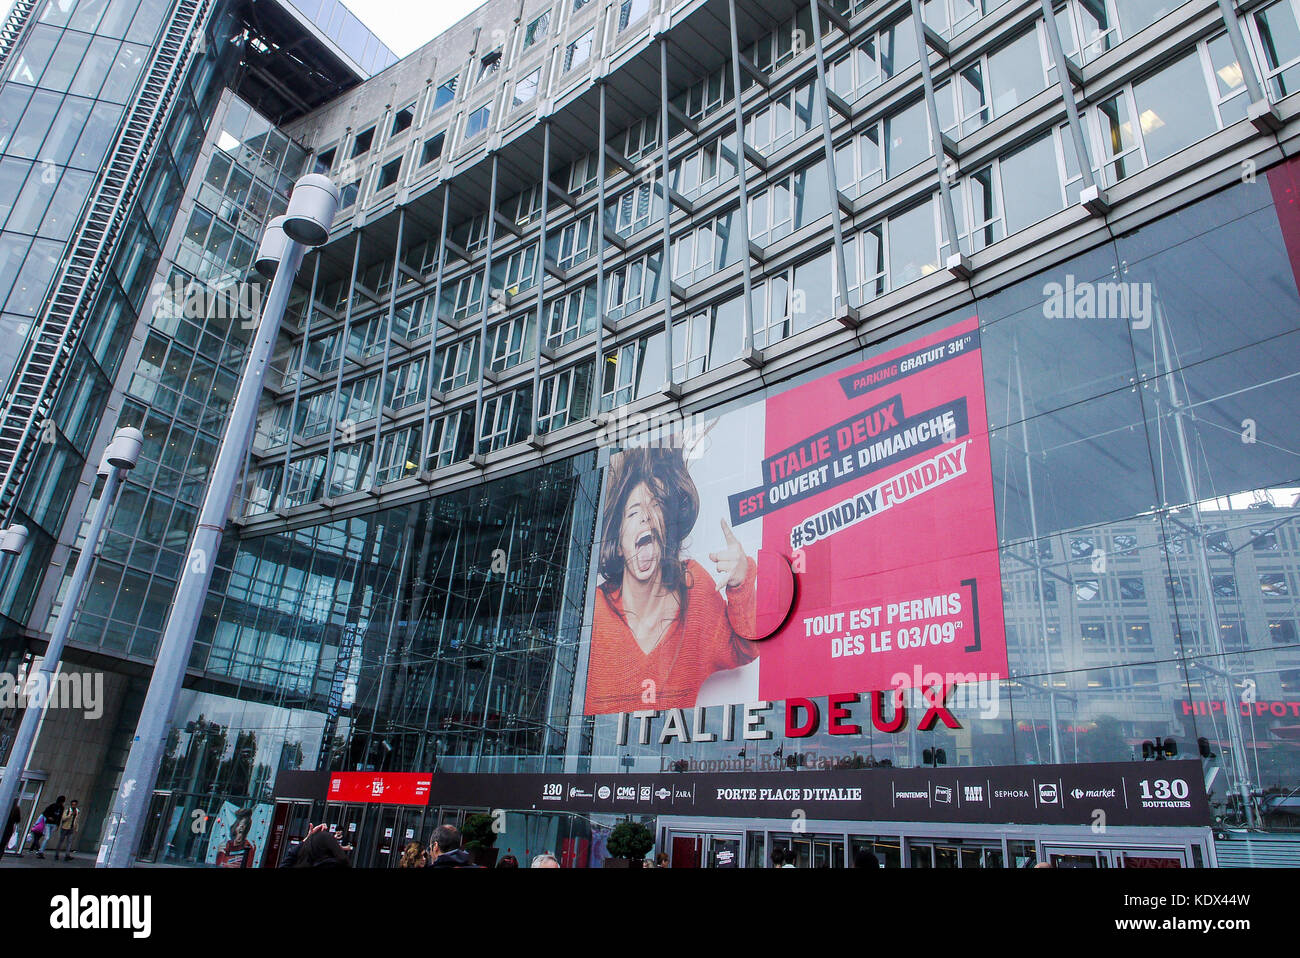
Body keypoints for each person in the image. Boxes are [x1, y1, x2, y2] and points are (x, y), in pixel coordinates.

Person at [585, 445, 760, 714]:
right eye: (633, 512)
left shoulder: (694, 587)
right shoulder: (594, 611)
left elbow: (745, 649)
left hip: (672, 750)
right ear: (619, 544)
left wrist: (741, 580)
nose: (646, 516)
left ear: (666, 533)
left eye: (656, 506)